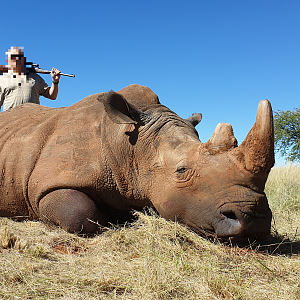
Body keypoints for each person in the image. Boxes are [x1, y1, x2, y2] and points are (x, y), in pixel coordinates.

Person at [0, 46, 61, 111]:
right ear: (8, 60)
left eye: (19, 57)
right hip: (10, 119)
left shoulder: (36, 78)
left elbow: (52, 96)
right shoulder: (2, 79)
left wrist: (55, 81)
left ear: (23, 59)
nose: (16, 59)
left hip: (33, 119)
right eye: (13, 57)